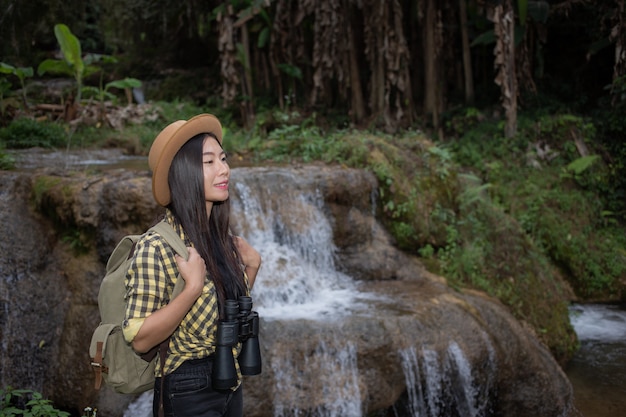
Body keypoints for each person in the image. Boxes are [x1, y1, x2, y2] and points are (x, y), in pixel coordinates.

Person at [122, 114, 262, 417]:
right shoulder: (156, 247)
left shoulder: (220, 239)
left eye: (223, 159)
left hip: (229, 379)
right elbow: (139, 337)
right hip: (187, 390)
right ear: (183, 173)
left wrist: (251, 268)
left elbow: (222, 312)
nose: (224, 169)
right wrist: (191, 289)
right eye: (208, 162)